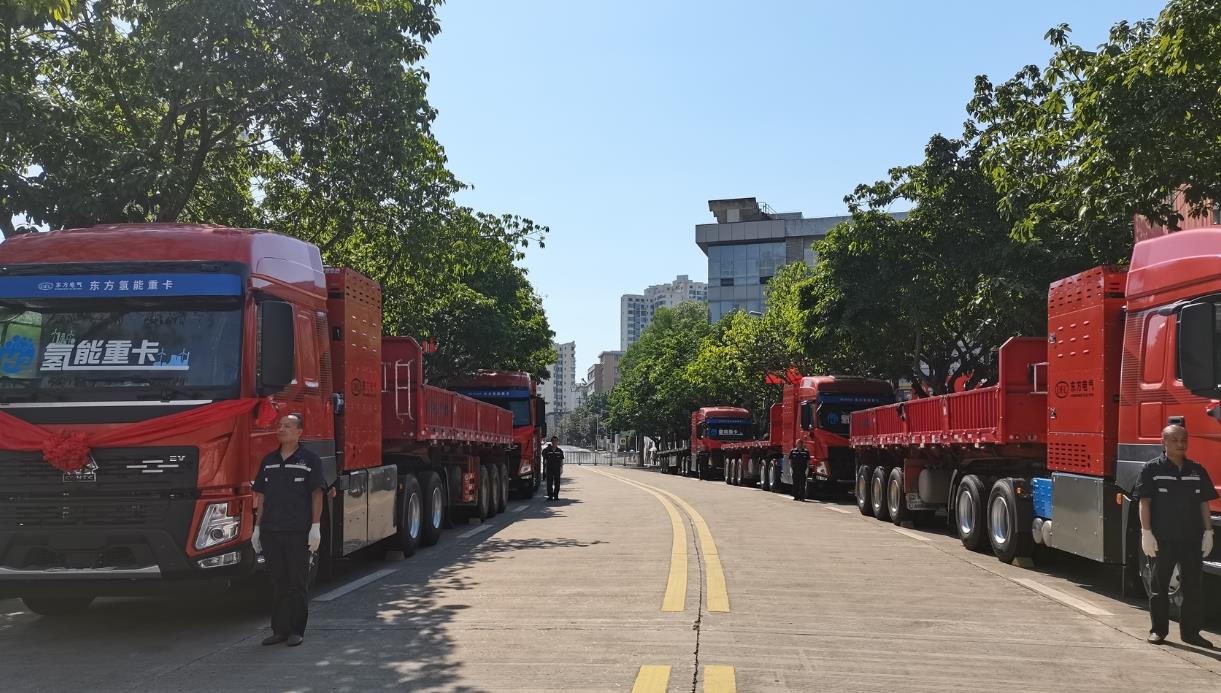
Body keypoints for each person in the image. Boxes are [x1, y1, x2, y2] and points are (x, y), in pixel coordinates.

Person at [1135, 424, 1217, 647]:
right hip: (1162, 539)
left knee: (1193, 588)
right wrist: (1146, 532)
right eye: (1175, 440)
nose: (1180, 444)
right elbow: (1145, 502)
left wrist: (1208, 532)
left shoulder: (1196, 470)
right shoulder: (1151, 469)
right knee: (1159, 587)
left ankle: (1191, 633)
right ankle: (1158, 631)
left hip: (1191, 539)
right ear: (1163, 442)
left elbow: (1203, 503)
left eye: (1184, 440)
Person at [252, 413, 326, 647]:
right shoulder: (269, 461)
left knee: (297, 582)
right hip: (271, 530)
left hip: (297, 531)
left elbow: (317, 494)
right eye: (279, 425)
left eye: (287, 426)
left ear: (299, 432)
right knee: (278, 582)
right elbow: (261, 496)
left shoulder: (310, 460)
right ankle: (279, 630)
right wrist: (257, 528)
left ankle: (296, 630)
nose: (281, 429)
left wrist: (316, 526)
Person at [543, 436, 565, 500]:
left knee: (557, 483)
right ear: (551, 442)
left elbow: (561, 460)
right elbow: (543, 454)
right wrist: (545, 468)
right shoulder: (548, 450)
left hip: (557, 469)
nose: (554, 442)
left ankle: (556, 496)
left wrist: (561, 468)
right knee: (549, 483)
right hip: (549, 468)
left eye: (555, 441)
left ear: (557, 442)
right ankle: (550, 496)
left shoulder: (559, 451)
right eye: (553, 441)